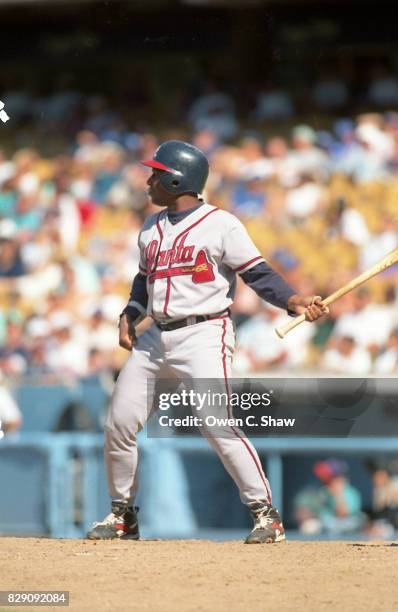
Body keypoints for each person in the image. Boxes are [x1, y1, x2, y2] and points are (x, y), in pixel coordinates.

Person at [87, 140, 327, 544]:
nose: (149, 180)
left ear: (178, 179)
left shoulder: (222, 223)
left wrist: (293, 300)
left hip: (204, 332)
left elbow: (258, 273)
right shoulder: (151, 227)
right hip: (155, 337)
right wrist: (129, 314)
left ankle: (265, 513)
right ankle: (122, 515)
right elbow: (144, 281)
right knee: (119, 424)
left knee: (217, 423)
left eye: (157, 174)